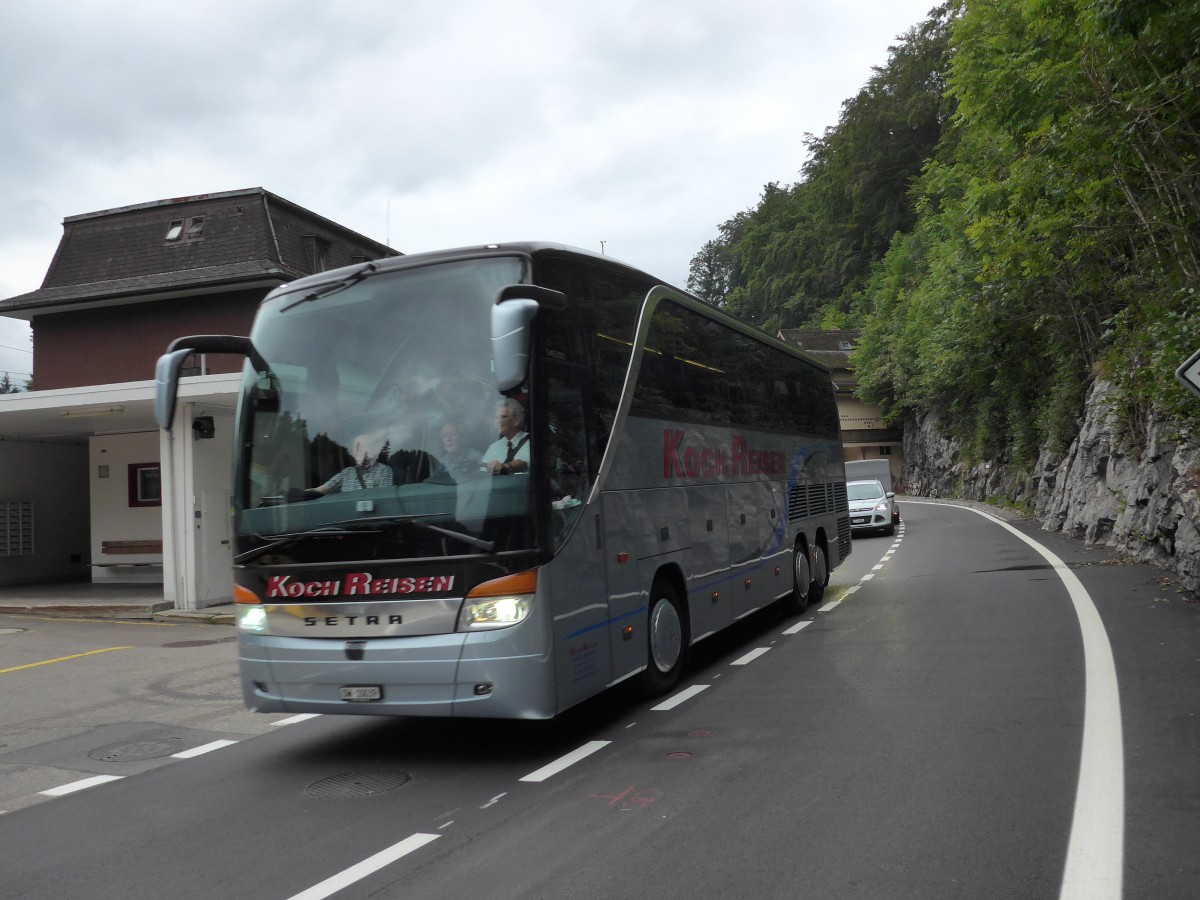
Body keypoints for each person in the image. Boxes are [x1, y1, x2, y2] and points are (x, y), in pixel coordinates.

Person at [289, 433, 393, 500]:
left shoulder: (384, 471)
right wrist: (297, 495)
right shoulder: (347, 473)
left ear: (371, 450)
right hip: (346, 525)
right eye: (355, 447)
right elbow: (320, 490)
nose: (357, 451)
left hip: (374, 525)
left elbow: (383, 500)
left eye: (361, 447)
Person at [482, 398, 530, 476]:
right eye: (496, 418)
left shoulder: (530, 444)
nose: (498, 421)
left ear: (516, 421)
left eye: (503, 417)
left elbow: (524, 463)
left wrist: (504, 467)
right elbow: (482, 473)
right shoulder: (494, 447)